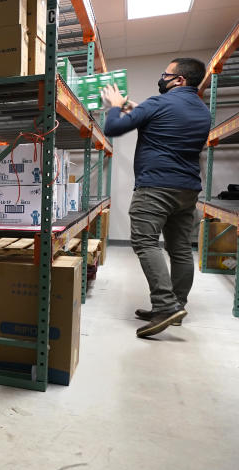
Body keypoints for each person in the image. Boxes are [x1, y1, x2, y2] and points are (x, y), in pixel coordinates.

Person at [100, 58, 211, 338]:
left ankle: (165, 305)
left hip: (156, 187)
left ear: (180, 80)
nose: (162, 78)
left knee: (145, 241)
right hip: (187, 190)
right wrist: (126, 103)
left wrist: (113, 105)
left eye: (167, 74)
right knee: (181, 249)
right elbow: (147, 114)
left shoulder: (159, 103)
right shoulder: (202, 110)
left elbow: (113, 129)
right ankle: (176, 306)